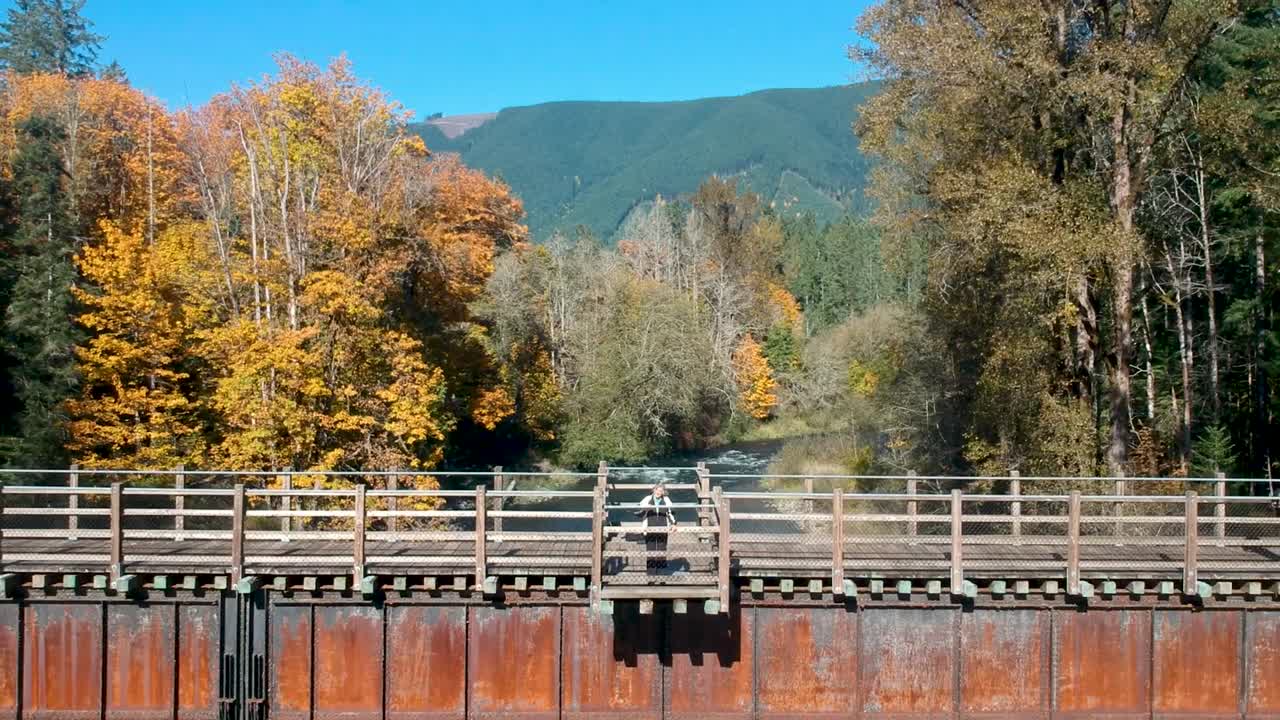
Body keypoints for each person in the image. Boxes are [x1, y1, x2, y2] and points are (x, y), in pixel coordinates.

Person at [636, 483, 676, 572]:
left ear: (663, 492)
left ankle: (662, 571)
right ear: (653, 490)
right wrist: (647, 507)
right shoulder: (647, 499)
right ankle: (651, 572)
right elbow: (640, 510)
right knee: (650, 548)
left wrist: (673, 524)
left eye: (661, 491)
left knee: (662, 548)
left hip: (663, 526)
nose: (658, 492)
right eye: (657, 490)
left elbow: (670, 512)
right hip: (649, 526)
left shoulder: (666, 500)